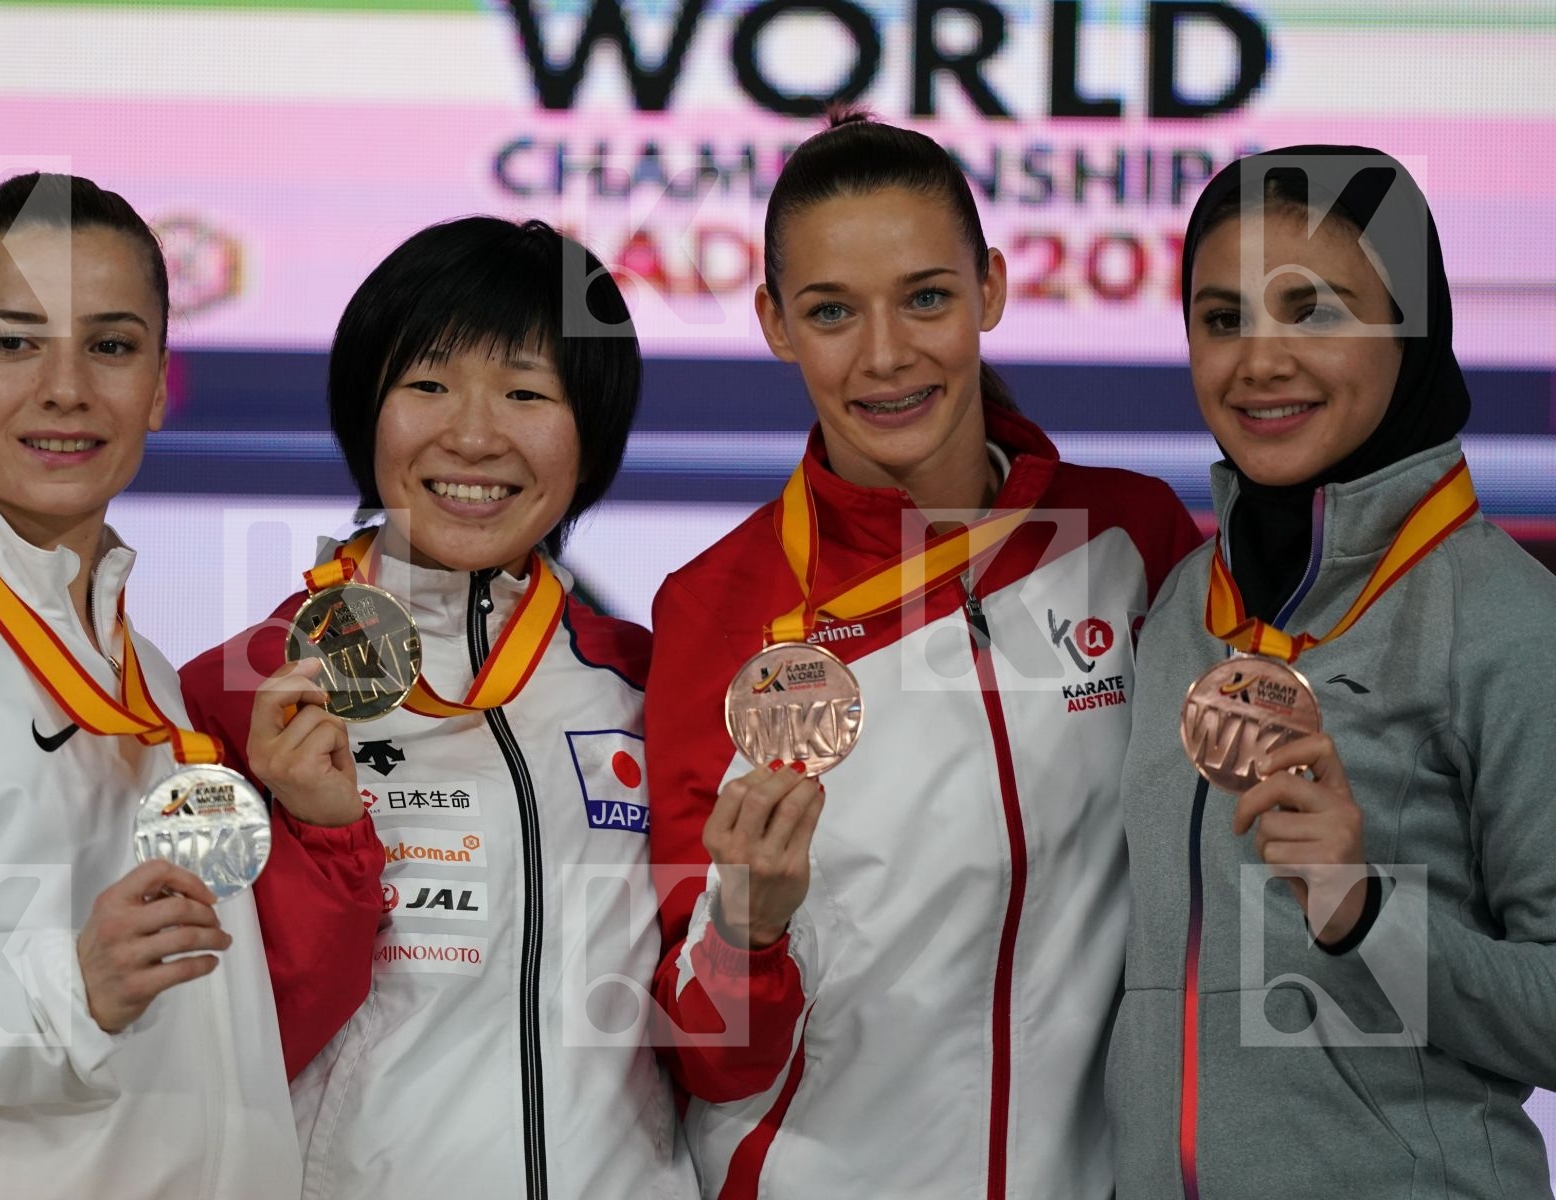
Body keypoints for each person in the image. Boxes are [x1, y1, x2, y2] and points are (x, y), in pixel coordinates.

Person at [0, 172, 370, 1198]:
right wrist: (63, 986)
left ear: (160, 385)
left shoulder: (155, 685)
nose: (67, 387)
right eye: (13, 342)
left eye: (112, 345)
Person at [644, 112, 1203, 1199]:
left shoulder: (1131, 538)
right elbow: (706, 1057)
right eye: (832, 312)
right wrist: (741, 931)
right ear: (773, 322)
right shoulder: (716, 611)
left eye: (927, 296)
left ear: (991, 288)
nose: (887, 354)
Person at [180, 216, 700, 1199]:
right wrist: (314, 840)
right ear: (364, 411)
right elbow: (200, 1056)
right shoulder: (234, 692)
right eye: (426, 384)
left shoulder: (651, 689)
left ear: (590, 434)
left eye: (525, 391)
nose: (472, 433)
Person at [1109, 146, 1556, 1198]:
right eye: (1223, 320)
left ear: (1412, 325)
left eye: (1315, 312)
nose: (1260, 362)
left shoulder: (1507, 621)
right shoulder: (1181, 606)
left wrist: (1367, 913)